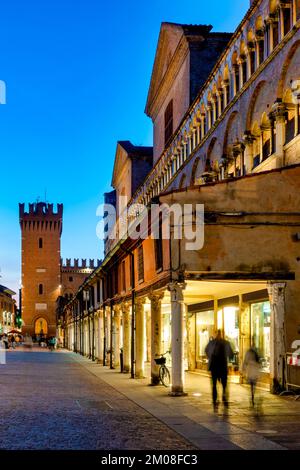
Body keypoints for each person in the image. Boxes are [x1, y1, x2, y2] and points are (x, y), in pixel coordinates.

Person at [205, 329, 234, 412]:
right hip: (222, 366)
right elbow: (231, 354)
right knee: (223, 385)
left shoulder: (212, 343)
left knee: (214, 385)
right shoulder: (226, 343)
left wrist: (210, 356)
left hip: (214, 366)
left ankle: (215, 400)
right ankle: (223, 397)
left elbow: (206, 351)